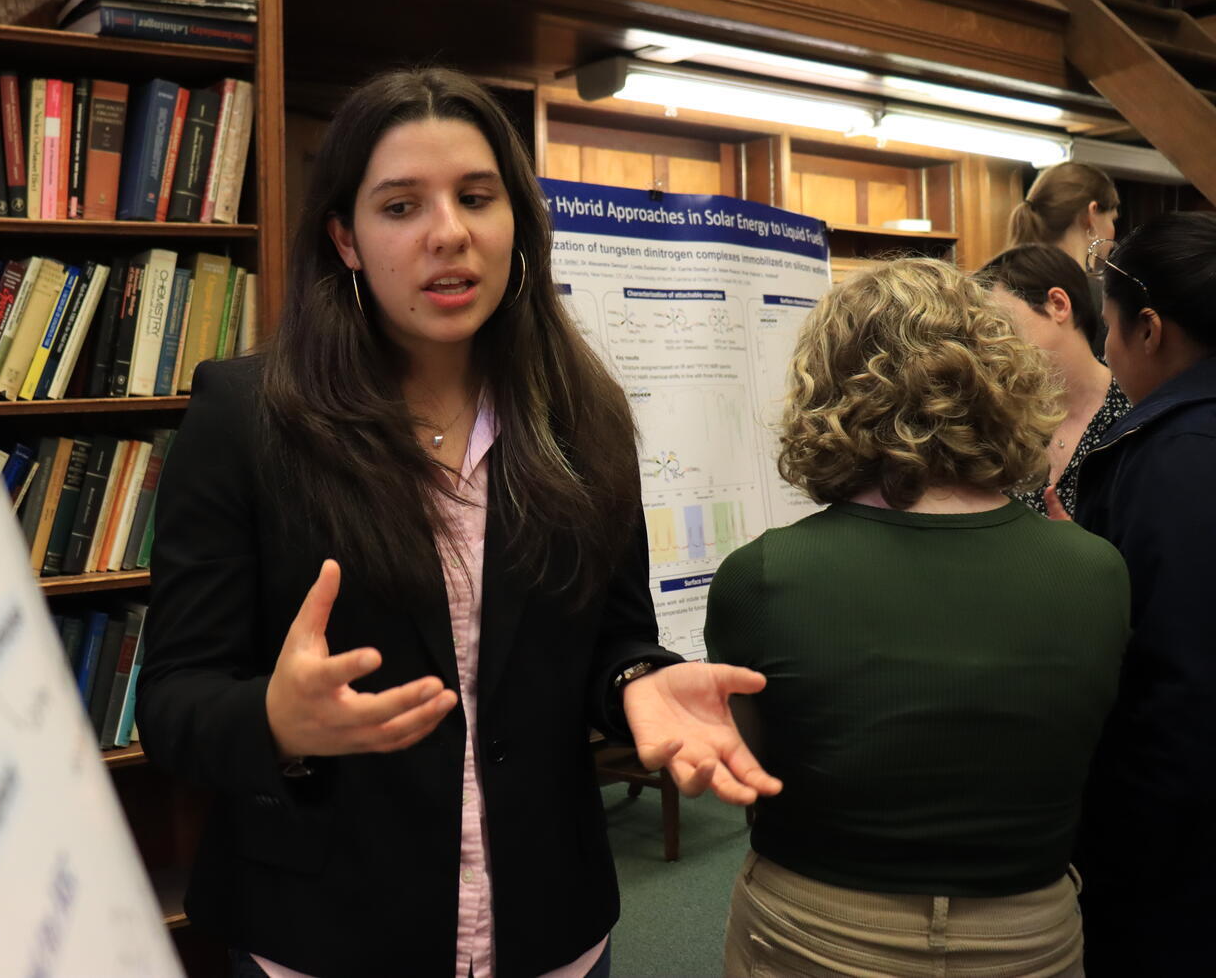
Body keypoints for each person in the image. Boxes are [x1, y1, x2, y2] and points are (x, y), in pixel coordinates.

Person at [134, 67, 781, 978]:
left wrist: (639, 679)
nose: (448, 232)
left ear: (515, 219)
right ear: (345, 239)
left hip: (547, 926)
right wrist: (276, 720)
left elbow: (616, 638)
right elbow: (171, 702)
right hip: (326, 932)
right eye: (400, 206)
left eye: (476, 197)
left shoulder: (581, 415)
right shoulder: (247, 416)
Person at [705, 258, 1129, 977]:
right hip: (1028, 932)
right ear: (1000, 379)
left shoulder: (764, 575)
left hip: (819, 928)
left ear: (828, 387)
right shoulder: (1096, 570)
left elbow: (759, 767)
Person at [1069, 212, 1216, 975]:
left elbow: (1177, 688)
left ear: (1150, 328)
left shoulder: (1171, 462)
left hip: (1175, 867)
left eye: (1113, 328)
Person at [976, 243, 1131, 517]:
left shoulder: (1134, 409)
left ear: (1058, 305)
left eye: (1000, 323)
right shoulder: (1004, 417)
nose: (991, 344)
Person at [1007, 160, 1120, 356]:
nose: (1112, 231)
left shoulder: (996, 284)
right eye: (1112, 219)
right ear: (1091, 214)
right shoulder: (1100, 298)